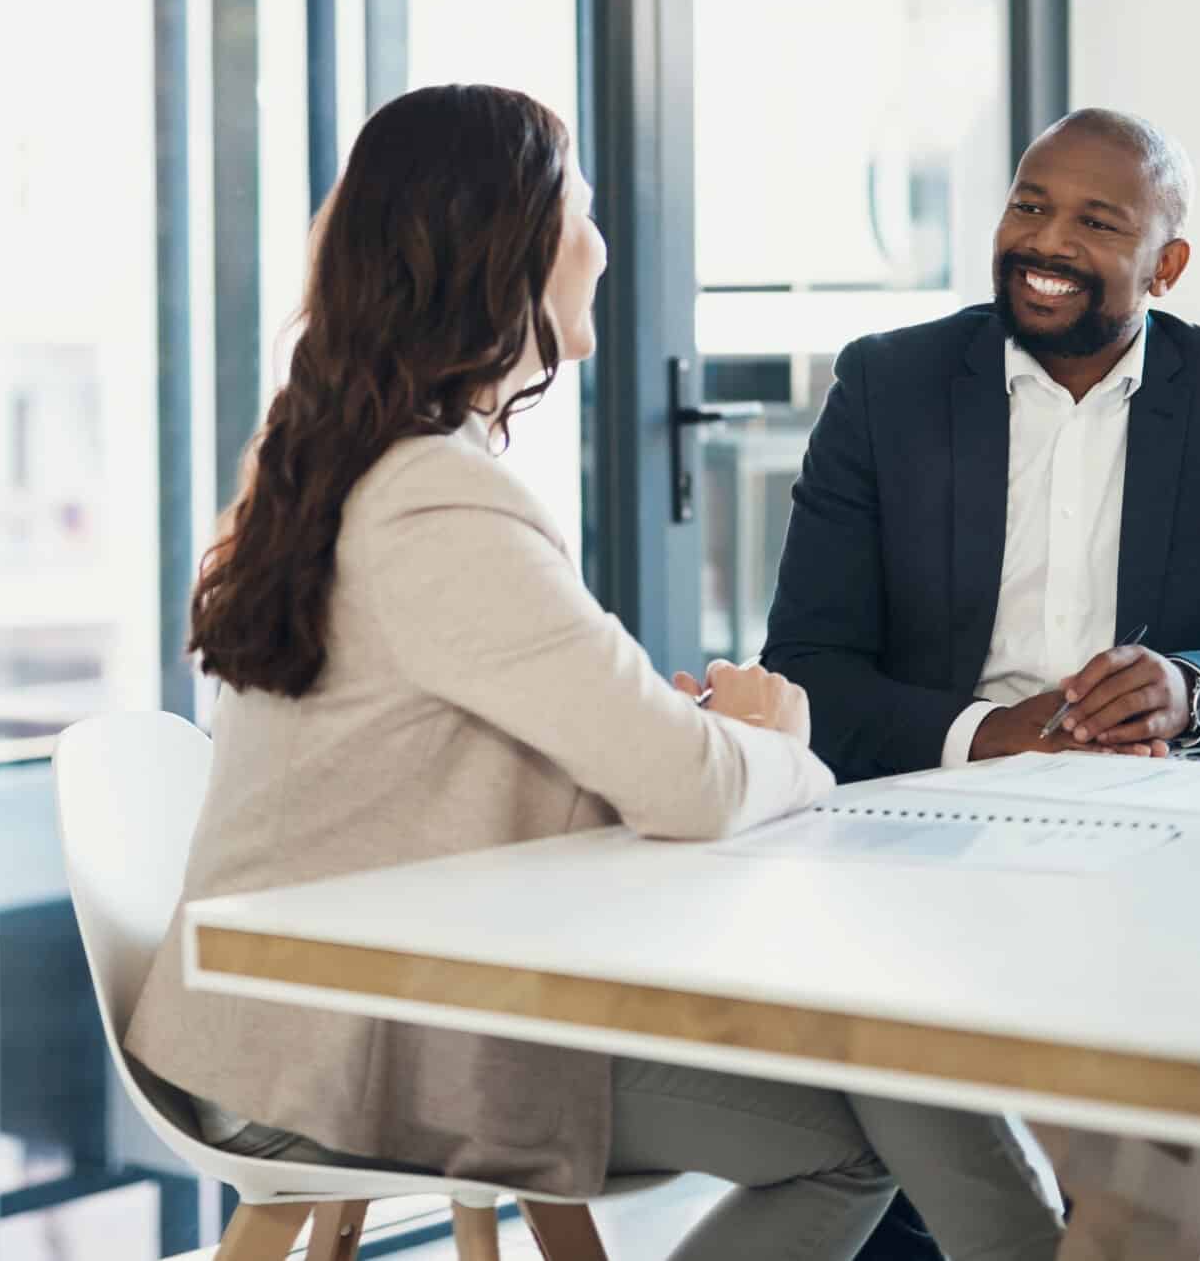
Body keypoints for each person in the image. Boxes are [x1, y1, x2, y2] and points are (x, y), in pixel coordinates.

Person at [126, 84, 1063, 1261]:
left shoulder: (356, 457)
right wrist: (772, 734)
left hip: (328, 1008)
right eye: (579, 207)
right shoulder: (434, 498)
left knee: (888, 1046)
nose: (605, 242)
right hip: (351, 1042)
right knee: (875, 1088)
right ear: (501, 251)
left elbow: (450, 751)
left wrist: (653, 741)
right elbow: (697, 790)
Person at [759, 107, 1200, 1261]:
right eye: (1029, 204)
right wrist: (995, 734)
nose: (1045, 240)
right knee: (919, 1197)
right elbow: (805, 667)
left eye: (1097, 221)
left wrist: (1192, 690)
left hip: (1146, 851)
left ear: (1166, 263)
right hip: (918, 838)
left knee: (1141, 1190)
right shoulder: (888, 384)